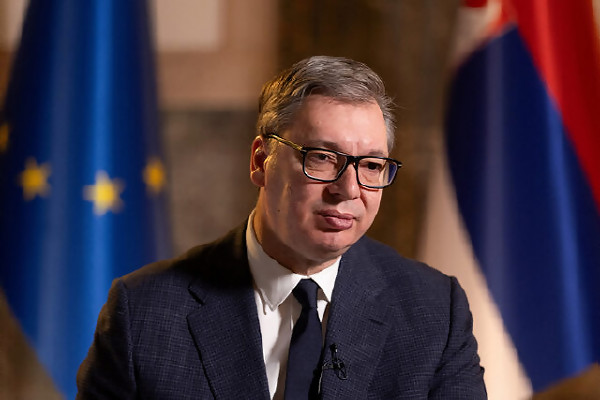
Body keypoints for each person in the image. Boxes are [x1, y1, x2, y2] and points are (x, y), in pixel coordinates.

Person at [76, 55, 486, 399]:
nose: (348, 190)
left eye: (371, 166)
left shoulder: (434, 312)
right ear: (261, 161)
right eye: (322, 157)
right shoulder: (143, 312)